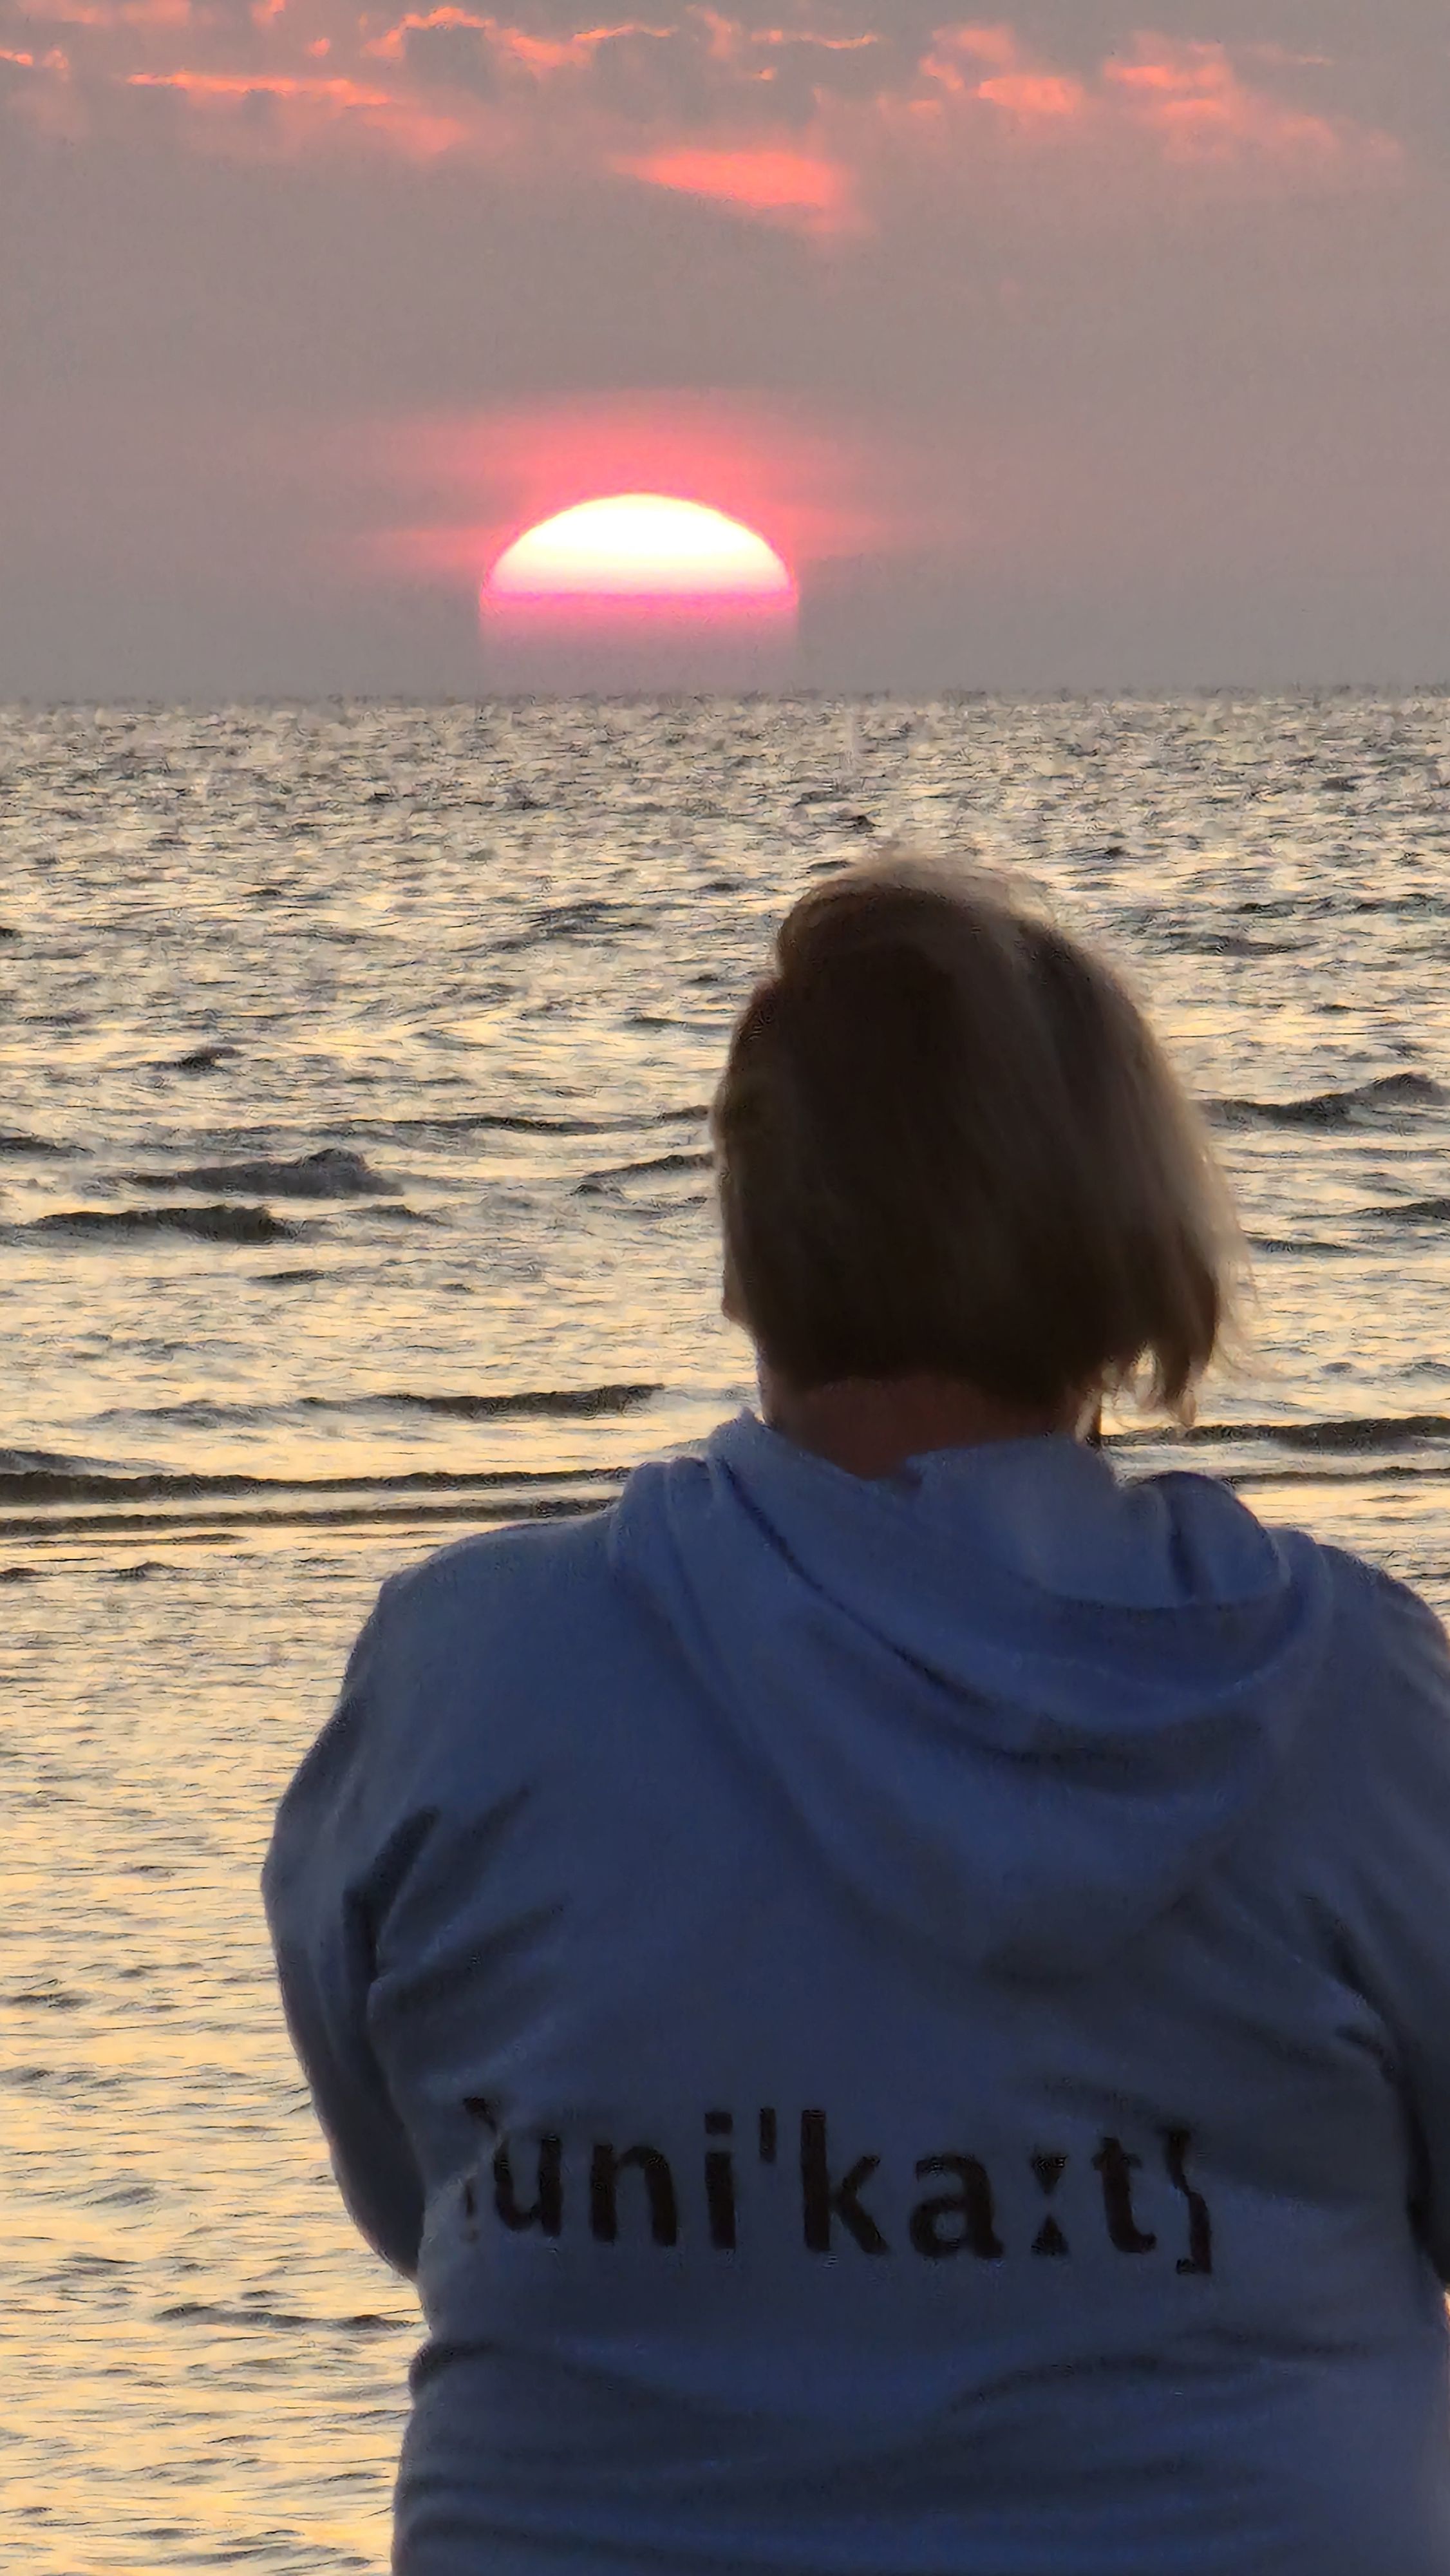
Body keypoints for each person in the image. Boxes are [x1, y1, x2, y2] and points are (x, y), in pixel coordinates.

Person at [264, 858, 1450, 2576]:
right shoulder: (1347, 1705)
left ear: (746, 1255)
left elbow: (417, 2191)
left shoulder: (467, 1681)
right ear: (1125, 1241)